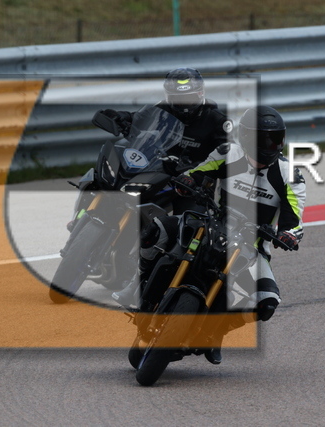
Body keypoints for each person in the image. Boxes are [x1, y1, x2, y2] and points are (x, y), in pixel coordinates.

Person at [112, 106, 306, 365]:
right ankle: (133, 287)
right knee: (158, 228)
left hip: (250, 247)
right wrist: (187, 182)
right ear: (247, 137)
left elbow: (294, 220)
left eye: (276, 139)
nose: (271, 145)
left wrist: (289, 235)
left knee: (267, 301)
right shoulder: (228, 153)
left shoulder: (290, 175)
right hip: (209, 225)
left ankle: (217, 331)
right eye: (264, 139)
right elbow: (196, 173)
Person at [98, 67, 232, 169]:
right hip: (159, 170)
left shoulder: (218, 120)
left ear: (201, 93)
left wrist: (196, 167)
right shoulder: (163, 108)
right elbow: (138, 118)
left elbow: (227, 156)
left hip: (195, 180)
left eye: (189, 97)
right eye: (179, 99)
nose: (184, 103)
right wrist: (120, 116)